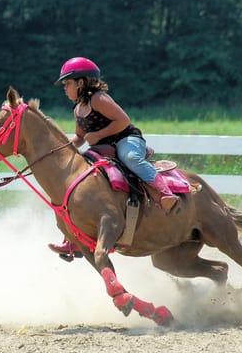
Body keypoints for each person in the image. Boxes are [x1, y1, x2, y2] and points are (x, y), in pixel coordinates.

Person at [48, 57, 179, 257]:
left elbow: (123, 120)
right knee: (79, 179)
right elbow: (80, 137)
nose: (65, 88)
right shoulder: (77, 109)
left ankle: (165, 193)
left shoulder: (98, 99)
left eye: (67, 83)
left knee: (130, 158)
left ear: (81, 82)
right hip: (104, 148)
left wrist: (99, 135)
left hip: (126, 140)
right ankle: (72, 239)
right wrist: (63, 150)